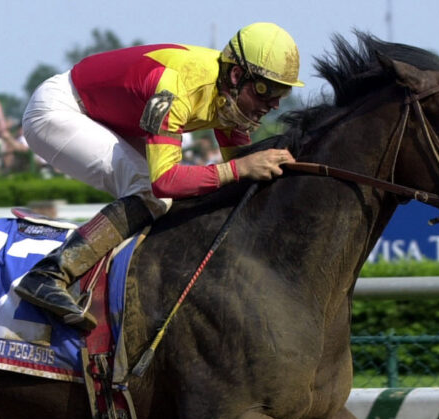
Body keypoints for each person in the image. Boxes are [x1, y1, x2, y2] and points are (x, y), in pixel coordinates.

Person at [16, 22, 302, 331]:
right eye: (267, 91)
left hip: (107, 117)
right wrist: (241, 169)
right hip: (59, 111)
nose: (273, 104)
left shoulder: (229, 94)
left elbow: (243, 172)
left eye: (281, 94)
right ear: (237, 76)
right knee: (152, 192)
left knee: (180, 193)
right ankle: (49, 274)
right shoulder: (178, 88)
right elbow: (165, 180)